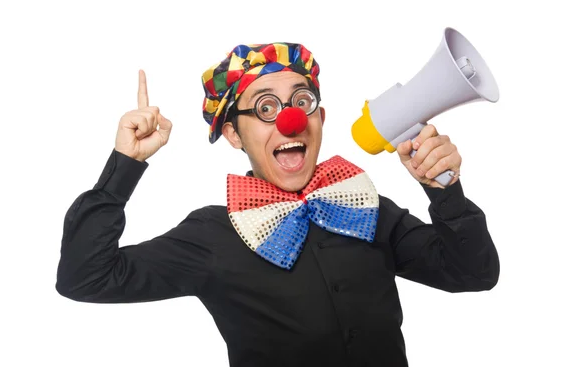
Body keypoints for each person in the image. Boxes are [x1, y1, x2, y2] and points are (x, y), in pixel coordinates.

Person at [56, 43, 499, 367]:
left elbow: (473, 273)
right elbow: (85, 278)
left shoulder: (365, 208)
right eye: (265, 108)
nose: (290, 119)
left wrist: (444, 190)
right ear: (233, 134)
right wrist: (123, 166)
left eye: (301, 102)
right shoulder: (212, 236)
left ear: (320, 119)